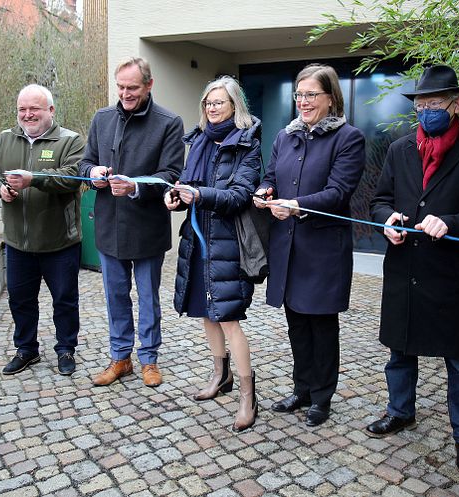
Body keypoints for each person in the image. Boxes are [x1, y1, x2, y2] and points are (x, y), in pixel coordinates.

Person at [368, 65, 459, 480]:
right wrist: (387, 219)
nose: (426, 111)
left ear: (457, 104)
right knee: (399, 350)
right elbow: (380, 200)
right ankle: (400, 411)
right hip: (405, 266)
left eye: (434, 104)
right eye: (421, 105)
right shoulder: (399, 149)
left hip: (451, 275)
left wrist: (450, 222)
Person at [254, 64, 365, 427]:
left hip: (323, 250)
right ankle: (302, 389)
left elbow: (338, 193)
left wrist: (297, 205)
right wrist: (264, 192)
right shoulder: (285, 137)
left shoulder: (348, 138)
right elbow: (271, 176)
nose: (303, 101)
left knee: (321, 324)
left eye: (311, 95)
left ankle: (322, 397)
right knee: (296, 322)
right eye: (299, 95)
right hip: (288, 246)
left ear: (330, 98)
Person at [165, 76, 263, 432]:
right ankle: (220, 377)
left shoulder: (247, 143)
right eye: (207, 103)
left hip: (228, 244)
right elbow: (189, 187)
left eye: (218, 102)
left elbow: (239, 196)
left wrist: (200, 195)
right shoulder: (201, 140)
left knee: (228, 317)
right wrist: (176, 197)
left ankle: (248, 397)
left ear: (235, 106)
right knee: (207, 312)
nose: (211, 108)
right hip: (198, 240)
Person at [79, 57, 184, 388]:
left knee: (148, 297)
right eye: (120, 87)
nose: (125, 94)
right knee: (115, 296)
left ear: (149, 85)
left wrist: (136, 187)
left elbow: (171, 175)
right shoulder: (102, 118)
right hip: (110, 227)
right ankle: (120, 358)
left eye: (132, 88)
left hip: (148, 227)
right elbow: (86, 162)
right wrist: (92, 174)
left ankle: (149, 359)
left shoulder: (169, 122)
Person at [0, 84, 84, 376]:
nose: (28, 114)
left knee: (65, 300)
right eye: (22, 109)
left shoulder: (70, 140)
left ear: (50, 110)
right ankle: (26, 350)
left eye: (34, 108)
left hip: (60, 243)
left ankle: (65, 349)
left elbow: (73, 177)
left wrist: (32, 179)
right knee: (20, 300)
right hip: (17, 244)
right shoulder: (4, 140)